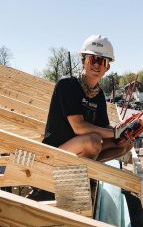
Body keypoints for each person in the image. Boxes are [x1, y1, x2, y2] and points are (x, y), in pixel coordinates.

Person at [28, 35, 133, 201]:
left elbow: (105, 128)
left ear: (108, 68)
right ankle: (76, 183)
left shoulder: (98, 96)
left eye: (103, 61)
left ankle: (87, 174)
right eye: (93, 59)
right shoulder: (67, 85)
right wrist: (114, 132)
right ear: (84, 60)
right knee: (92, 141)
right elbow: (79, 127)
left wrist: (122, 133)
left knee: (125, 146)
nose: (97, 65)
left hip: (79, 154)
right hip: (53, 155)